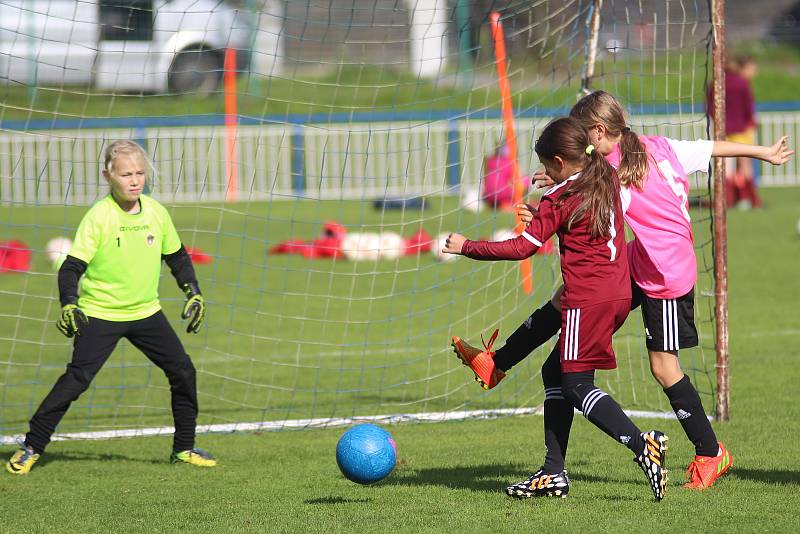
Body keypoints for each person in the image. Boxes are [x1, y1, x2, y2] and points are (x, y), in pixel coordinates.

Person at [451, 90, 792, 493]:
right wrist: (762, 152)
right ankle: (498, 365)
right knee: (568, 300)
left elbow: (583, 188)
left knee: (663, 368)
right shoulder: (657, 145)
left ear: (598, 131)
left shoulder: (611, 170)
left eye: (583, 134)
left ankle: (710, 451)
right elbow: (710, 148)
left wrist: (556, 194)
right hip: (636, 258)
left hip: (666, 273)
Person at [444, 117, 670, 501]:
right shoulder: (603, 178)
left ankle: (640, 443)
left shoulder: (560, 198)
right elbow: (577, 221)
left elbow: (522, 248)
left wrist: (466, 246)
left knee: (576, 385)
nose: (545, 173)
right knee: (554, 369)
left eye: (548, 167)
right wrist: (550, 211)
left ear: (559, 163)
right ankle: (552, 470)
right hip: (617, 292)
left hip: (589, 299)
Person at [5, 140, 216, 475]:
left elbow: (176, 257)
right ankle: (31, 447)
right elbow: (70, 267)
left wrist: (192, 290)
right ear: (108, 176)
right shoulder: (99, 216)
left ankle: (184, 448)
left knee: (183, 370)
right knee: (77, 379)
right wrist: (69, 303)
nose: (134, 180)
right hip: (100, 313)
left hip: (146, 312)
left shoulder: (156, 213)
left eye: (139, 173)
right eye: (126, 174)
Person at [708, 54, 762, 209]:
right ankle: (749, 199)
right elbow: (748, 107)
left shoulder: (716, 83)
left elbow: (710, 107)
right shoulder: (742, 82)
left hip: (722, 130)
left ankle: (727, 199)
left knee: (725, 166)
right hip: (741, 129)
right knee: (745, 165)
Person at [481, 143, 529, 210]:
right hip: (502, 194)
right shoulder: (511, 163)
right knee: (526, 180)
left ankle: (497, 204)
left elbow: (486, 179)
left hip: (488, 195)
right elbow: (514, 181)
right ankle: (510, 204)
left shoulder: (490, 161)